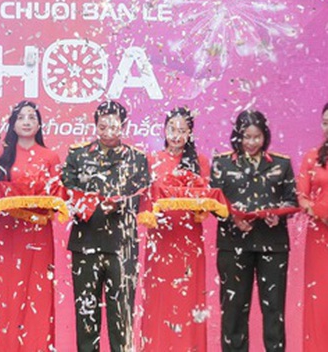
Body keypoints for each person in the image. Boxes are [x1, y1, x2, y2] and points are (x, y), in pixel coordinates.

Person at [62, 100, 149, 352]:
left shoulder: (137, 158)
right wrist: (88, 204)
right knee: (86, 316)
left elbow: (143, 195)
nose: (108, 132)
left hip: (122, 246)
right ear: (95, 125)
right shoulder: (77, 155)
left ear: (124, 126)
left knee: (121, 317)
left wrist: (120, 205)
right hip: (86, 244)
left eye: (114, 126)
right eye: (103, 127)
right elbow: (66, 189)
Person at [211, 110, 297, 352]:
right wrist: (233, 218)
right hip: (233, 245)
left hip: (273, 245)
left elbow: (292, 199)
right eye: (246, 137)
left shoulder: (282, 163)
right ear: (237, 136)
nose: (251, 142)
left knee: (274, 310)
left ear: (265, 136)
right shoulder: (222, 163)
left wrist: (278, 215)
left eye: (256, 137)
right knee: (234, 310)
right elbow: (212, 202)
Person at [0, 101, 62, 351]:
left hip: (39, 233)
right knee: (8, 292)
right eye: (21, 117)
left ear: (39, 124)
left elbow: (58, 195)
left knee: (38, 294)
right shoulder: (2, 158)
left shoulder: (50, 157)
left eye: (32, 117)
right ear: (13, 124)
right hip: (9, 233)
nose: (27, 122)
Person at [139, 107, 211, 351]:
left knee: (187, 296)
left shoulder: (200, 162)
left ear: (190, 133)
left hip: (189, 239)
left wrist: (201, 208)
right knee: (159, 297)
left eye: (182, 130)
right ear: (164, 130)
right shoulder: (152, 160)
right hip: (161, 238)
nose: (176, 135)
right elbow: (144, 199)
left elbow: (207, 198)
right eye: (172, 129)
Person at [297, 103, 328, 351]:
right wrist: (318, 212)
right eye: (326, 123)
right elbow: (301, 196)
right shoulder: (312, 157)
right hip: (319, 236)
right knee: (320, 297)